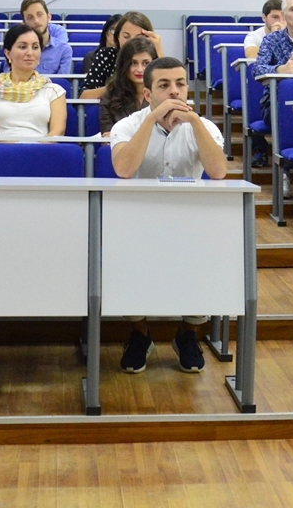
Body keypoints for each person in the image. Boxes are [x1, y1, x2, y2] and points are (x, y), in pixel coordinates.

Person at [109, 57, 227, 374]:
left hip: (191, 221)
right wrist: (151, 120)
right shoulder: (127, 126)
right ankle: (140, 333)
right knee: (121, 253)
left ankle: (188, 333)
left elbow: (218, 171)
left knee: (212, 251)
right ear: (148, 94)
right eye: (164, 85)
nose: (174, 91)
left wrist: (195, 123)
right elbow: (124, 169)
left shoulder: (204, 126)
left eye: (180, 84)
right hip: (137, 221)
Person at [0, 23, 68, 137]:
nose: (30, 53)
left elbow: (57, 131)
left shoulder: (54, 91)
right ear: (8, 53)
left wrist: (35, 145)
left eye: (35, 47)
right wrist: (9, 143)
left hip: (41, 146)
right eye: (23, 47)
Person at [82, 11, 161, 96]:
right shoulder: (107, 55)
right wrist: (114, 86)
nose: (131, 42)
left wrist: (158, 50)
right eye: (126, 36)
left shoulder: (153, 57)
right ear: (118, 37)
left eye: (139, 37)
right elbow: (84, 96)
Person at [98, 36, 156, 132]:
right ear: (124, 65)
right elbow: (109, 136)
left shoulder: (163, 95)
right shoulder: (109, 97)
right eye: (133, 63)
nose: (140, 69)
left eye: (146, 63)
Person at [20, 0, 73, 75]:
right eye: (30, 18)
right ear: (24, 24)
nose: (36, 21)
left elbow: (61, 81)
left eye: (39, 14)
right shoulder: (15, 50)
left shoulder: (64, 50)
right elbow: (9, 79)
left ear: (48, 17)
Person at [81, 14, 122, 82]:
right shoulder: (91, 57)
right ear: (106, 33)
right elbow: (90, 84)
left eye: (120, 31)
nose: (116, 35)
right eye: (114, 30)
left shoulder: (126, 58)